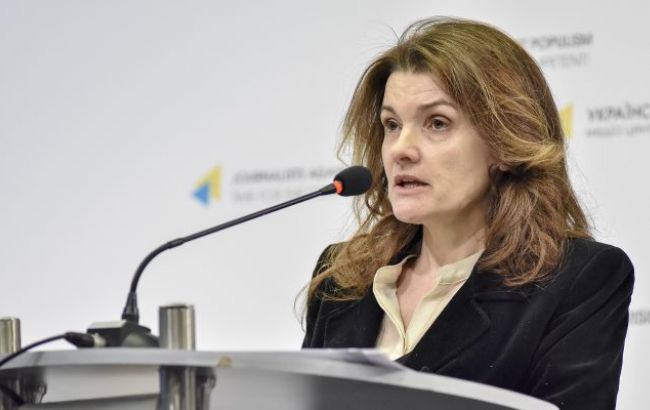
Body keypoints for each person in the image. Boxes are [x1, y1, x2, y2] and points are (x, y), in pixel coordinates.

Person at [301, 17, 634, 410]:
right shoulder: (343, 277)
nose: (400, 149)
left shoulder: (576, 280)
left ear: (504, 142)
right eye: (391, 124)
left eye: (437, 123)